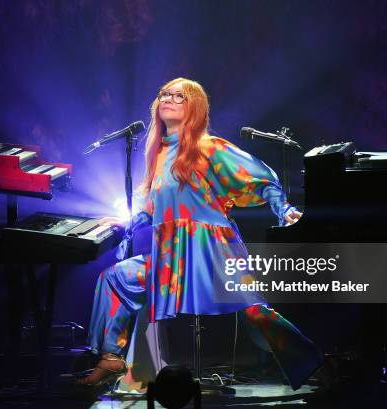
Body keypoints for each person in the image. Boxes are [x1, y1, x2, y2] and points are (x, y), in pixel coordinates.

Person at [77, 77, 322, 390]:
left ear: (194, 107)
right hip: (171, 258)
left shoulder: (210, 148)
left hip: (213, 253)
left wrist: (284, 210)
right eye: (164, 94)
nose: (167, 98)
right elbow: (152, 206)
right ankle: (111, 356)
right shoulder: (158, 155)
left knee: (255, 314)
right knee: (115, 278)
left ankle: (310, 361)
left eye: (178, 96)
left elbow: (260, 180)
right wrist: (126, 223)